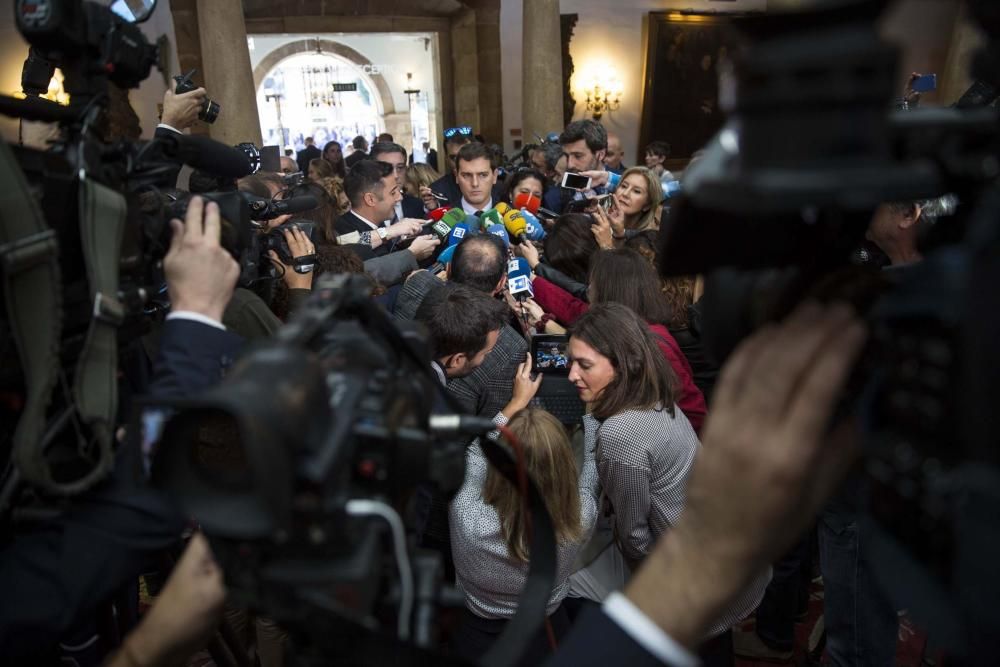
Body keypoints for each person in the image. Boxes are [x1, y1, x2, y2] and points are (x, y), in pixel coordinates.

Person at [566, 303, 768, 665]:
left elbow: (633, 536)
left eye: (584, 365)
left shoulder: (621, 432)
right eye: (571, 362)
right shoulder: (654, 391)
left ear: (623, 364)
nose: (571, 376)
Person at [449, 406, 598, 664]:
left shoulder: (466, 514)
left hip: (476, 634)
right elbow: (590, 477)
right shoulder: (580, 518)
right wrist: (592, 419)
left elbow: (475, 454)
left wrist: (514, 405)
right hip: (547, 632)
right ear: (562, 466)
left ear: (501, 463)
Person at [528, 249, 708, 433]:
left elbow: (693, 412)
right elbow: (572, 308)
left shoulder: (654, 346)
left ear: (611, 292)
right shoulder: (621, 326)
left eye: (594, 285)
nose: (588, 290)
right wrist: (532, 281)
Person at [394, 234, 528, 418]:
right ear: (501, 283)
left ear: (448, 270)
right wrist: (517, 404)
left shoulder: (418, 282)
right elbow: (487, 425)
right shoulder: (511, 346)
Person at [335, 161, 434, 256]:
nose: (400, 197)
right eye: (393, 193)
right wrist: (410, 253)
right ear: (370, 199)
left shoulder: (379, 224)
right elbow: (348, 243)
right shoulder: (339, 229)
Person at [543, 120, 609, 214]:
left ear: (600, 154)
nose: (570, 164)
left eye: (578, 156)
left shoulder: (624, 183)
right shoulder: (553, 197)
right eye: (566, 155)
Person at [369, 142, 426, 221]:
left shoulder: (418, 205)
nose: (395, 175)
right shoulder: (363, 210)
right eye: (387, 168)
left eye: (400, 167)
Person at [608, 166, 663, 234]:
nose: (625, 194)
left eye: (636, 191)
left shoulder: (646, 239)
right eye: (624, 186)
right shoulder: (599, 221)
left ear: (648, 205)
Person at [453, 141, 500, 216]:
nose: (475, 183)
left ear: (494, 176)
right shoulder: (441, 221)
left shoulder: (514, 218)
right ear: (456, 176)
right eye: (467, 175)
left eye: (483, 175)